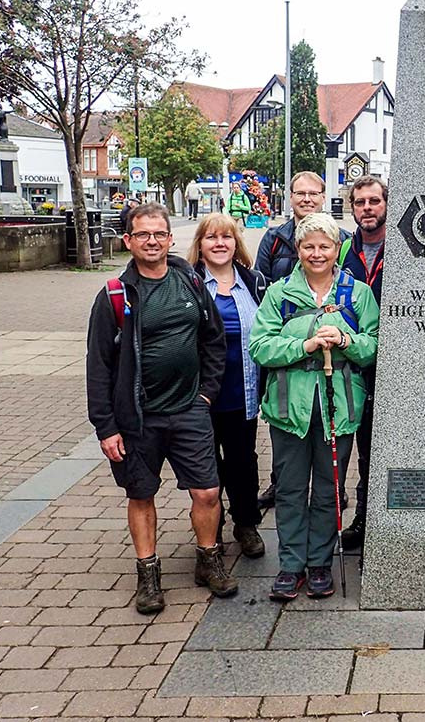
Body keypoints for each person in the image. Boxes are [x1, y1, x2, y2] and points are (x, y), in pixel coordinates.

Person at [85, 203, 236, 615]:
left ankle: (208, 560)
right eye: (142, 234)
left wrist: (205, 394)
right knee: (141, 494)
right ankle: (148, 575)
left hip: (189, 409)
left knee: (206, 491)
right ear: (128, 241)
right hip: (137, 416)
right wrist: (106, 427)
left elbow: (212, 340)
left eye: (159, 233)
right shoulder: (115, 295)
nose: (152, 241)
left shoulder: (190, 281)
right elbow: (97, 366)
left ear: (171, 239)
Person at [249, 213, 380, 601]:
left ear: (336, 249)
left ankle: (320, 562)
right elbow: (259, 346)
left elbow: (373, 347)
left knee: (328, 489)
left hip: (338, 406)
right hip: (290, 407)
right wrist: (301, 346)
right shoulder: (279, 293)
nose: (317, 253)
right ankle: (291, 564)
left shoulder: (357, 294)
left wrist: (344, 339)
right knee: (290, 489)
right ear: (299, 250)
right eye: (309, 246)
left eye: (325, 246)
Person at [255, 171, 351, 509]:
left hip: (332, 373)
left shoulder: (345, 240)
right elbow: (261, 287)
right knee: (288, 433)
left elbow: (351, 294)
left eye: (314, 193)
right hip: (286, 339)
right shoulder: (275, 239)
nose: (307, 198)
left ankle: (333, 501)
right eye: (300, 193)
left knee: (328, 473)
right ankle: (281, 485)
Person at [187, 213, 268, 560]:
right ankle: (211, 530)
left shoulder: (254, 282)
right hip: (200, 396)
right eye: (211, 238)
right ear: (200, 245)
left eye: (227, 237)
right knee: (207, 468)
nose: (219, 243)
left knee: (243, 463)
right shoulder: (187, 283)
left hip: (242, 392)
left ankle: (246, 524)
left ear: (236, 244)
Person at [338, 176, 388, 550]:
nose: (367, 208)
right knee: (347, 445)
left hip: (390, 364)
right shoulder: (342, 252)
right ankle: (348, 516)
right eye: (360, 202)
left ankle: (373, 517)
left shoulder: (403, 250)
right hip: (347, 362)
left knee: (375, 445)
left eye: (374, 201)